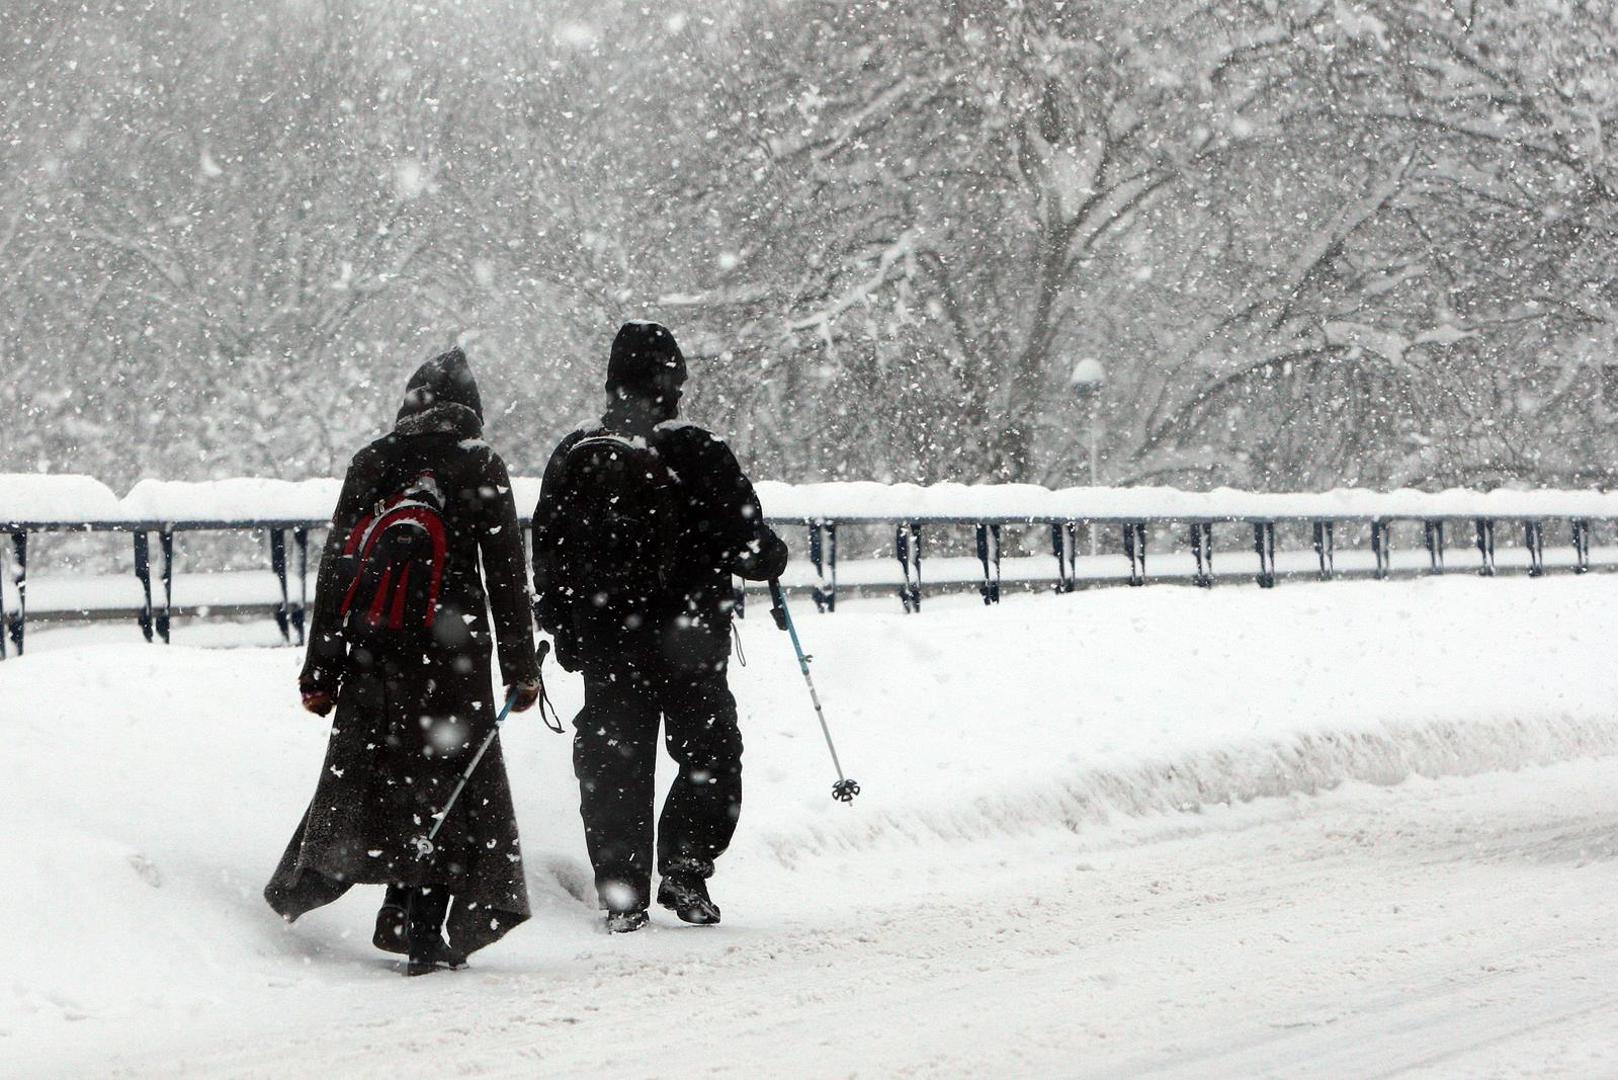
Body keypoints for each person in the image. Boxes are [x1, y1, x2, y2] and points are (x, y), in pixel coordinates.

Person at [265, 347, 542, 976]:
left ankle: (361, 902)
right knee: (452, 787)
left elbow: (337, 572)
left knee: (379, 780)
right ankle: (420, 931)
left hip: (376, 649)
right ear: (471, 412)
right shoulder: (479, 464)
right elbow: (506, 578)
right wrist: (522, 671)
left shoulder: (373, 462)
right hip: (456, 655)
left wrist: (320, 672)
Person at [532, 321, 788, 932]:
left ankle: (622, 893)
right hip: (689, 635)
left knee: (614, 763)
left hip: (606, 636)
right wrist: (764, 556)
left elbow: (547, 549)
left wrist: (564, 626)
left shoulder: (576, 451)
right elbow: (751, 546)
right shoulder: (696, 448)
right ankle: (686, 867)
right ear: (671, 381)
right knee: (709, 751)